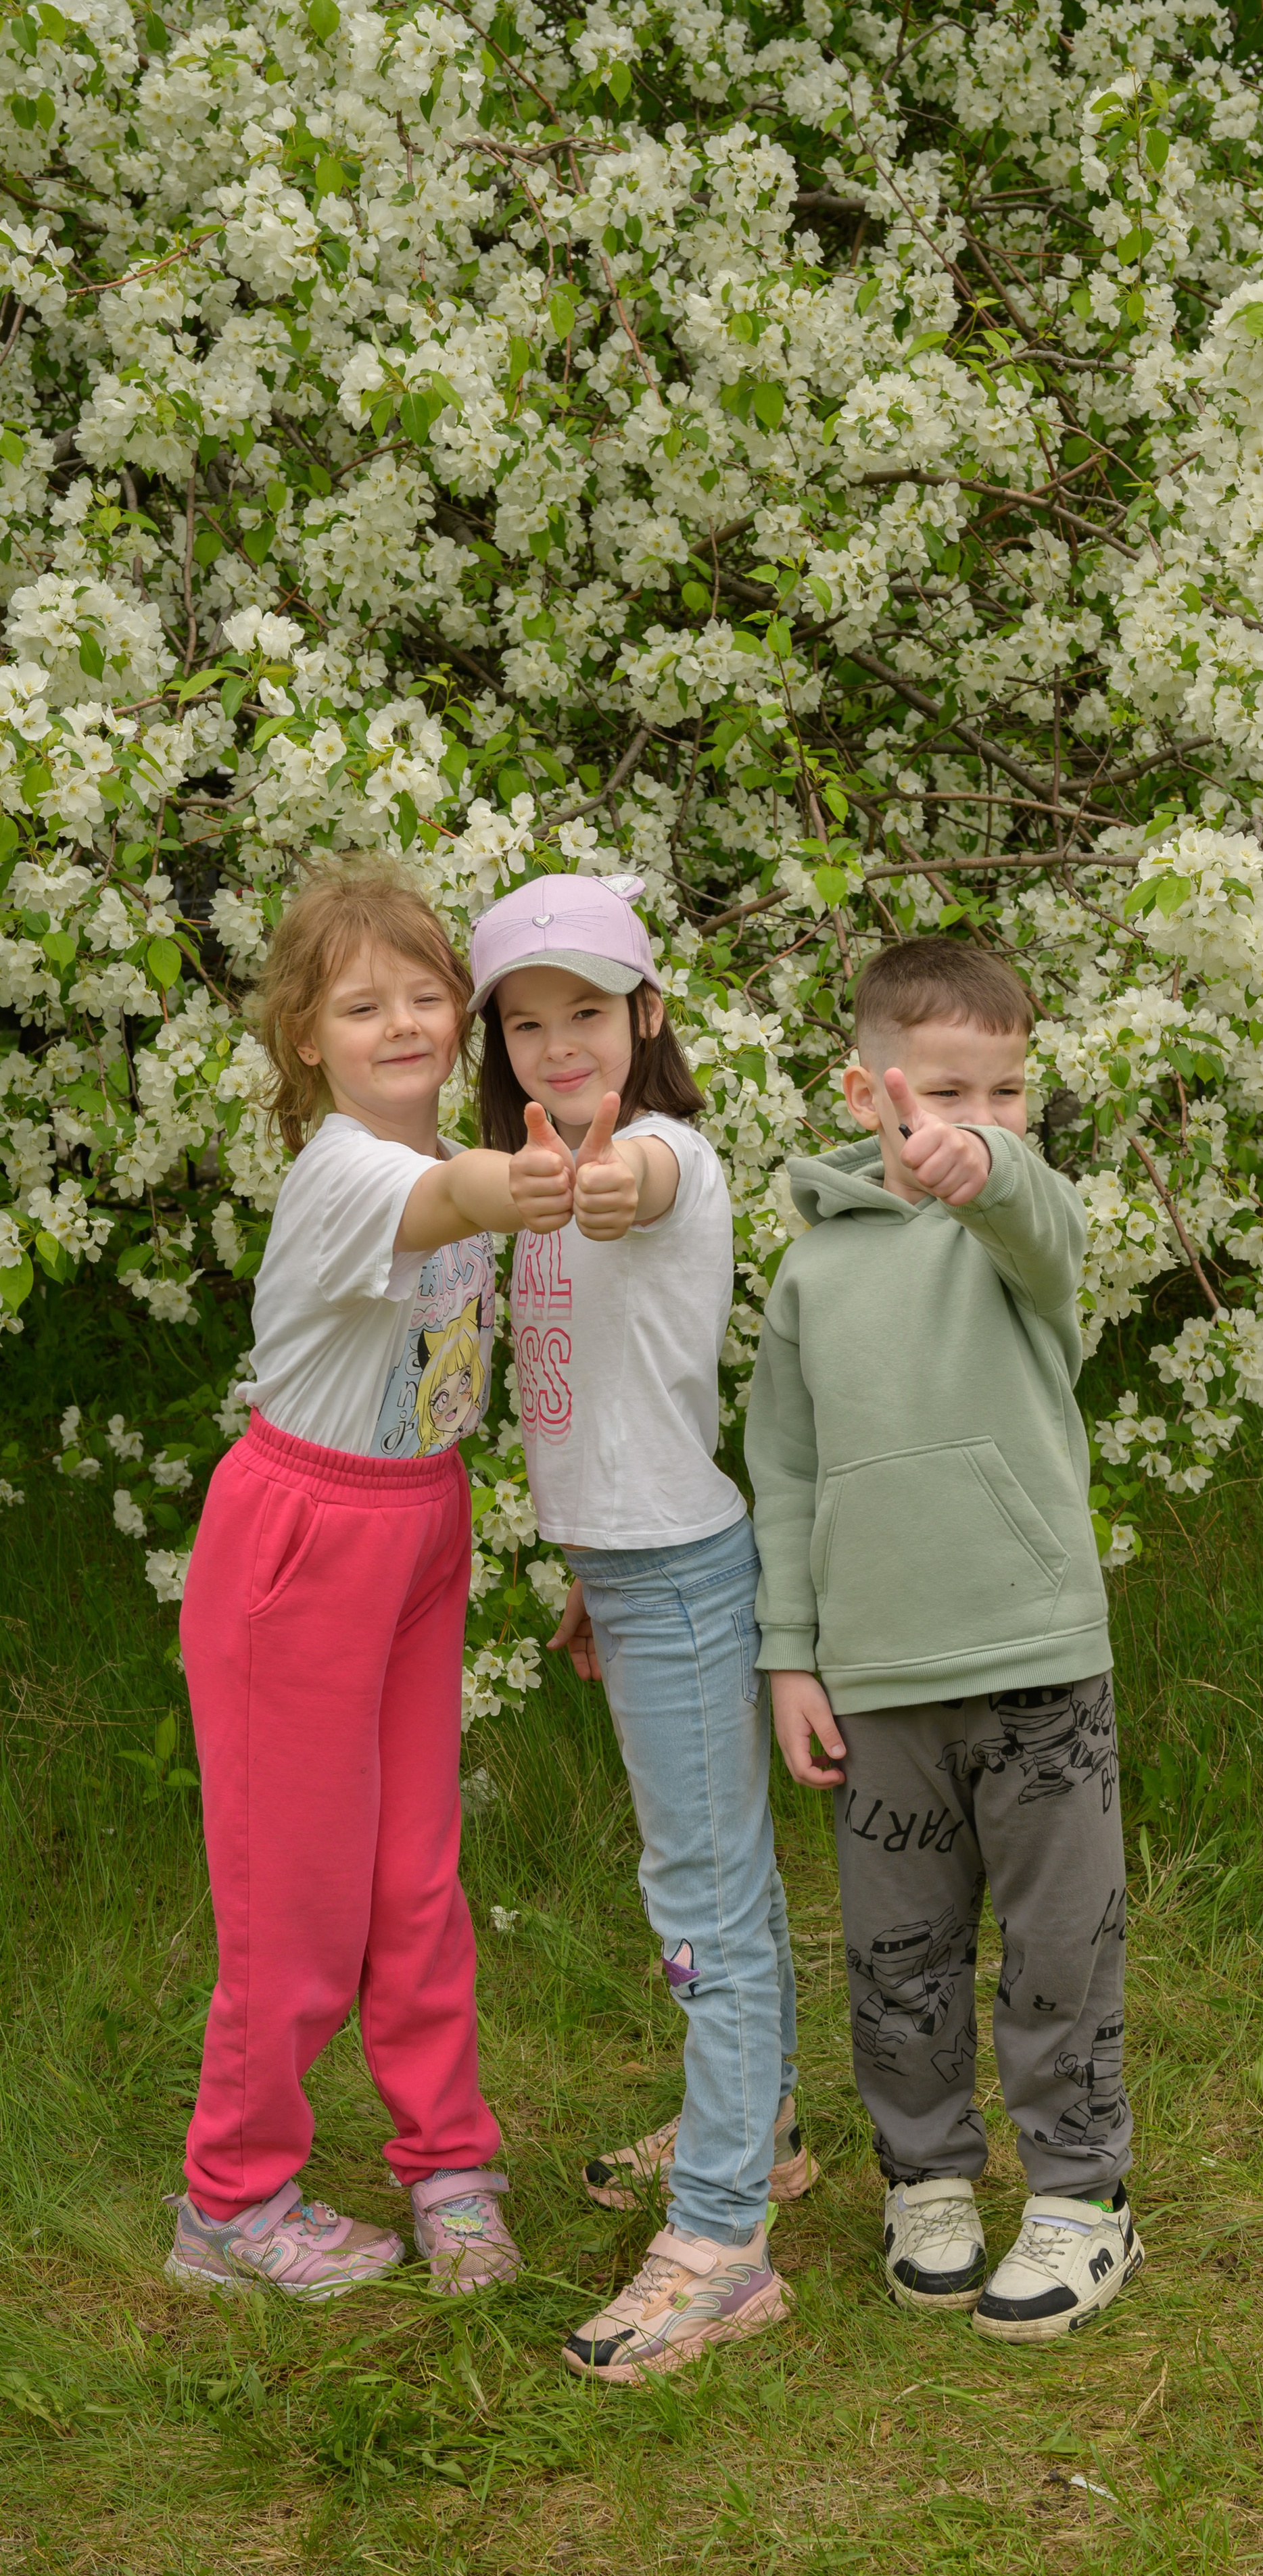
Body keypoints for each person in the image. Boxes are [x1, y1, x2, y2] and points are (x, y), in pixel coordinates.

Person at [167, 863, 575, 2300]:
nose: (400, 1021)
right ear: (306, 1037)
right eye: (360, 1004)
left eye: (423, 994)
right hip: (303, 1545)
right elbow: (455, 1192)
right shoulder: (351, 1170)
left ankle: (447, 2164)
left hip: (418, 1524)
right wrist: (510, 1186)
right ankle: (230, 2199)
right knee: (298, 1900)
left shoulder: (446, 1149)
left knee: (415, 1878)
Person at [745, 936, 1141, 2345]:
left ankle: (1082, 2195)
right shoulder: (807, 1277)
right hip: (877, 1679)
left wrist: (993, 1174)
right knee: (895, 1954)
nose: (976, 1120)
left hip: (1034, 1659)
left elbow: (1027, 1211)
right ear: (869, 1090)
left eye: (1008, 1092)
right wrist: (788, 1654)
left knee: (1056, 1948)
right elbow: (782, 1474)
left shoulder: (1029, 1233)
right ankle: (926, 2179)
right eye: (943, 1091)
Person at [471, 870, 808, 2383]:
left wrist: (604, 1177)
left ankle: (722, 2240)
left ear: (646, 1017)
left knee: (702, 1897)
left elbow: (641, 1190)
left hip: (679, 1573)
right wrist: (588, 1577)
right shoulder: (526, 1163)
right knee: (707, 1876)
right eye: (527, 1024)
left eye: (587, 1015)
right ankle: (766, 2119)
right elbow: (599, 1400)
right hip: (637, 1569)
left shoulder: (658, 1151)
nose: (558, 1047)